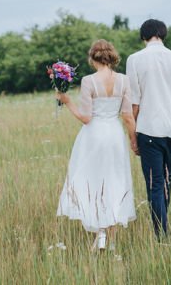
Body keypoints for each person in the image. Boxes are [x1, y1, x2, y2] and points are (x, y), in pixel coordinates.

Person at [56, 39, 138, 251]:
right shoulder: (124, 80)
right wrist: (133, 139)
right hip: (114, 135)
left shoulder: (88, 81)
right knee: (114, 181)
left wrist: (67, 102)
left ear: (92, 58)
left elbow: (85, 118)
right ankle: (109, 238)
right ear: (112, 57)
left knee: (92, 181)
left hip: (93, 136)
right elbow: (128, 115)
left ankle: (101, 235)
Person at [125, 19, 171, 238]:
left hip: (149, 129)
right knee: (165, 181)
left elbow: (134, 103)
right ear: (163, 34)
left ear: (143, 36)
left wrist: (133, 137)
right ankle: (162, 230)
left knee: (155, 185)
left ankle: (162, 235)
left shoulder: (134, 60)